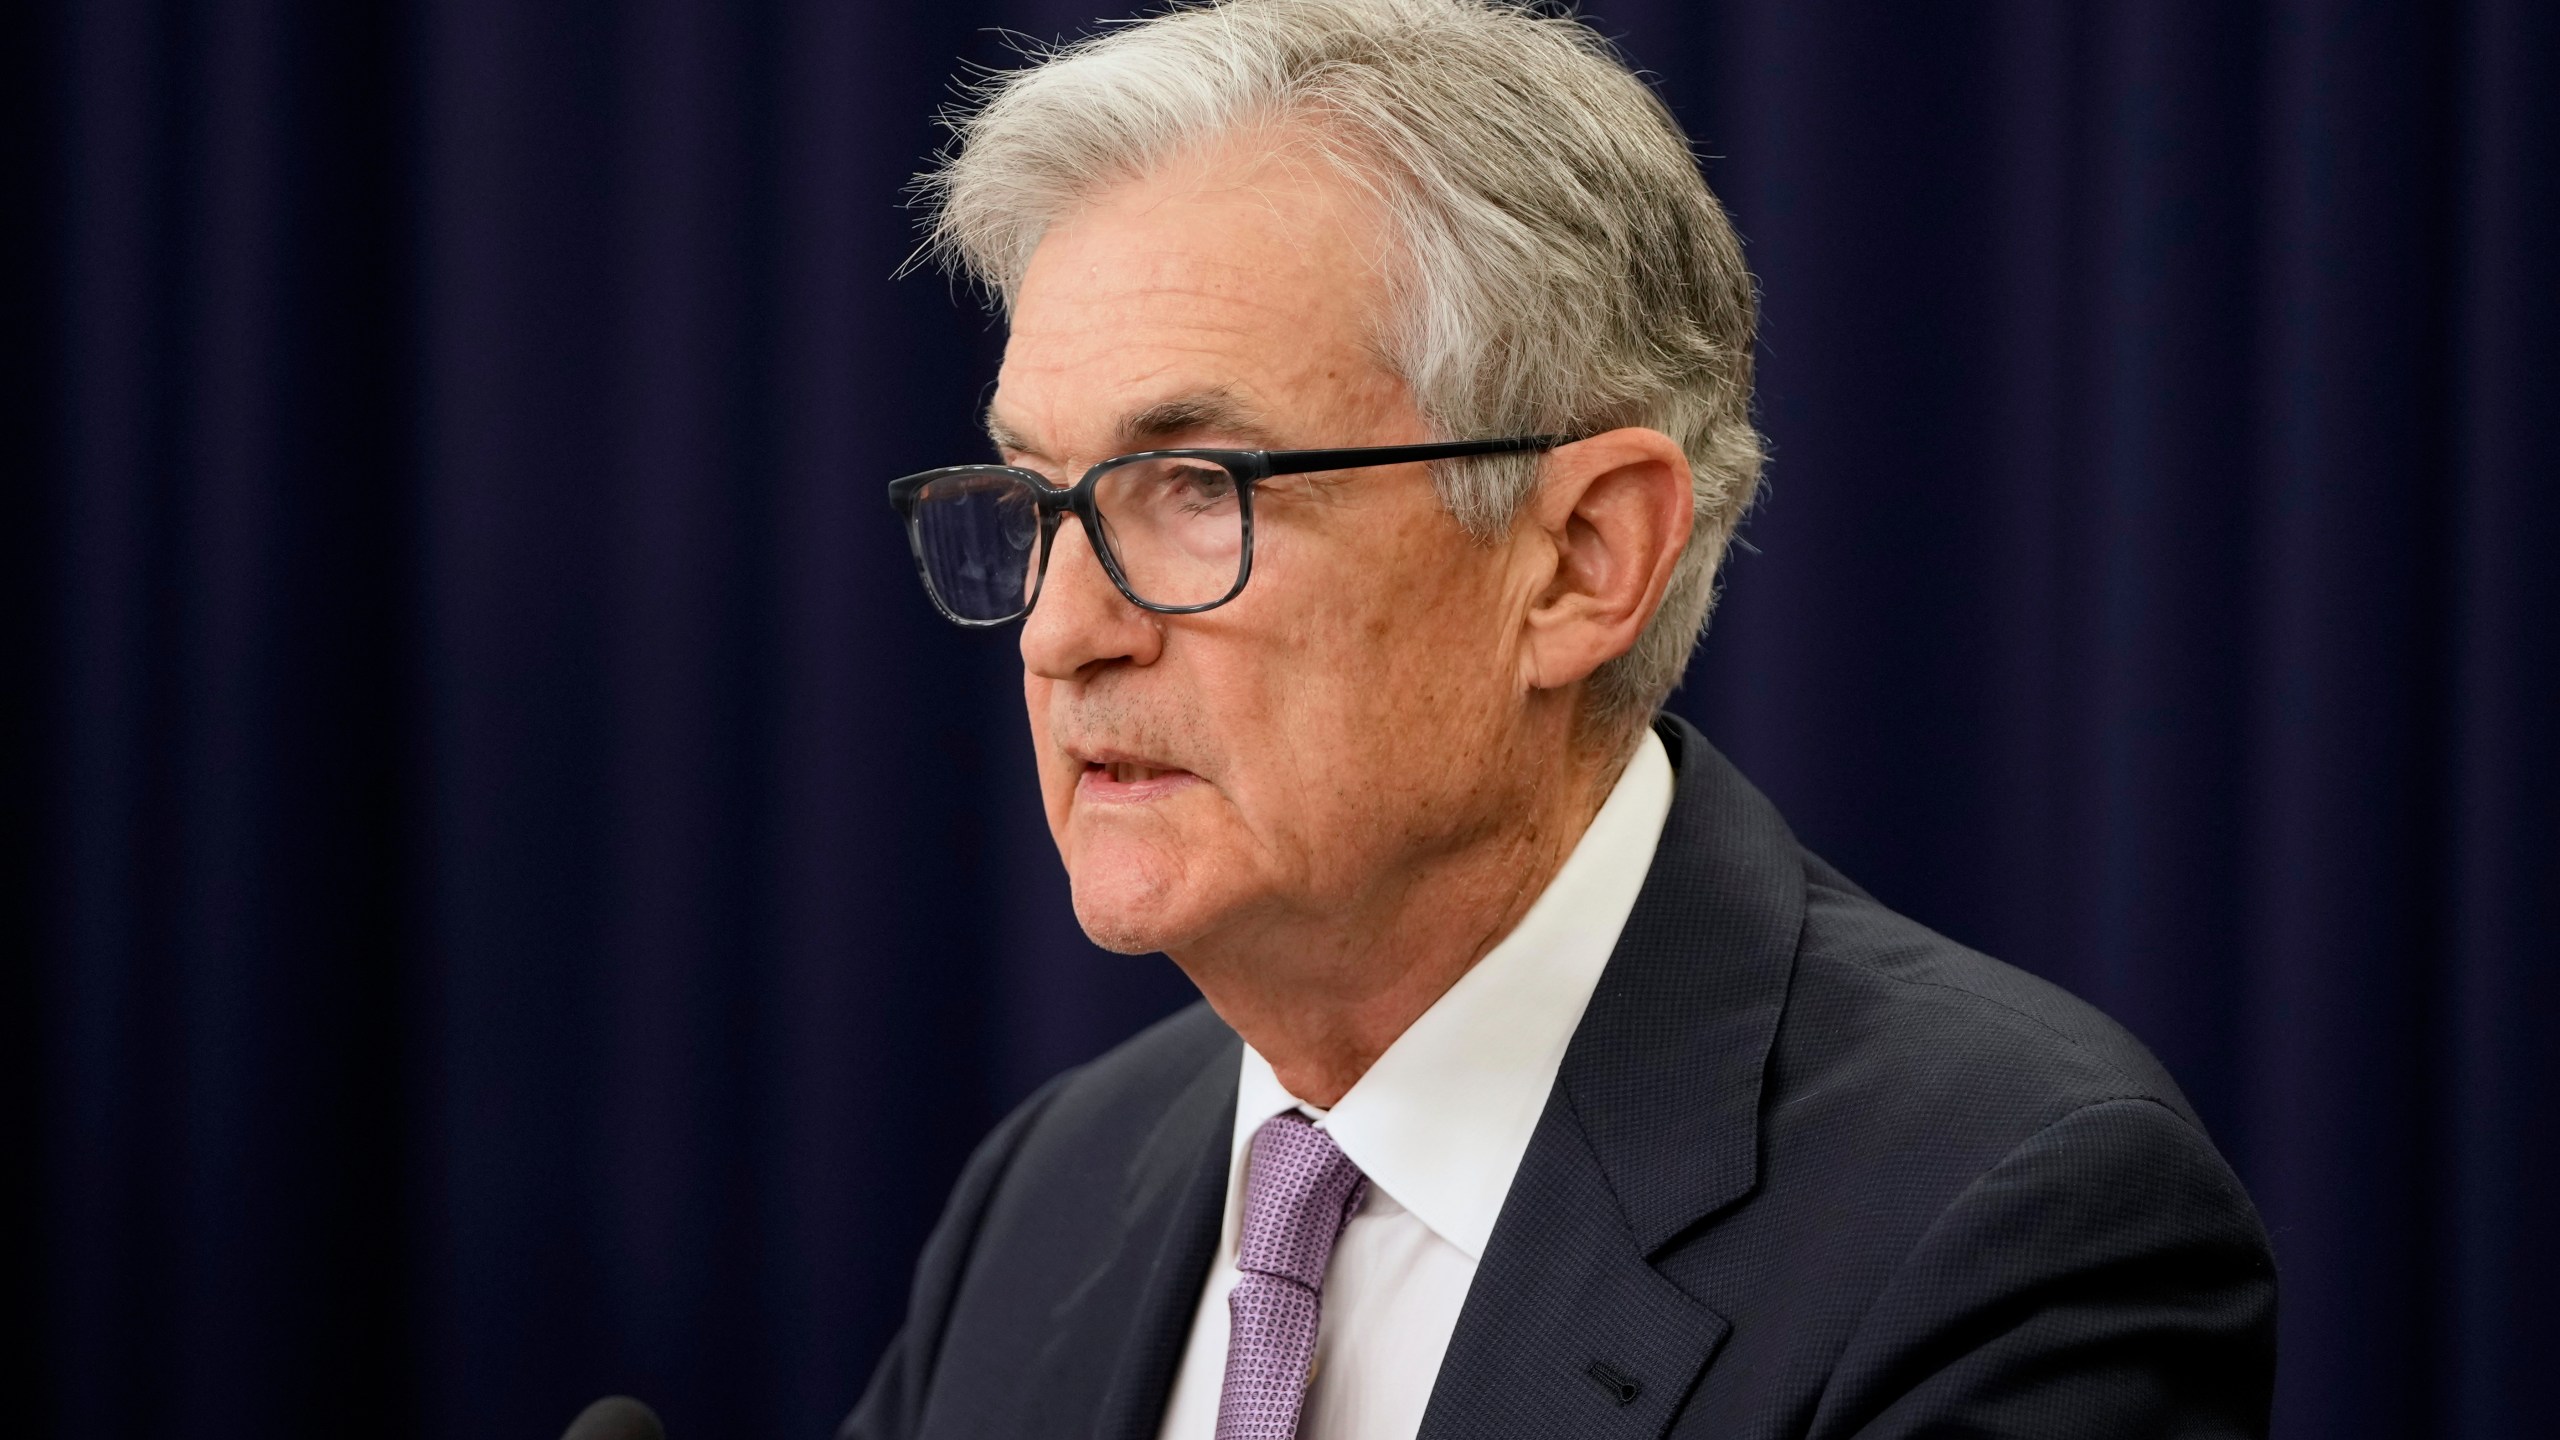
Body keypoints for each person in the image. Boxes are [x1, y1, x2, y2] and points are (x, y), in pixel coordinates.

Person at [844, 1, 2277, 1435]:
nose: (1063, 631)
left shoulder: (2003, 1227)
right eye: (1037, 499)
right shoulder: (1051, 1196)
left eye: (1199, 490)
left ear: (1583, 558)